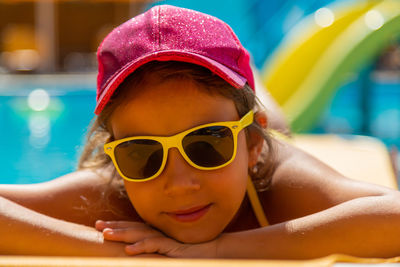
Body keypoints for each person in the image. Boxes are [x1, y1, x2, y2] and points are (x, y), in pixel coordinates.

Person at [1, 5, 400, 259]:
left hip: (270, 130)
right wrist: (126, 253)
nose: (178, 182)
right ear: (116, 159)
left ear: (252, 146)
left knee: (273, 118)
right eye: (142, 153)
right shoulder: (114, 191)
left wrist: (220, 248)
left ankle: (255, 79)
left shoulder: (277, 180)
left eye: (207, 145)